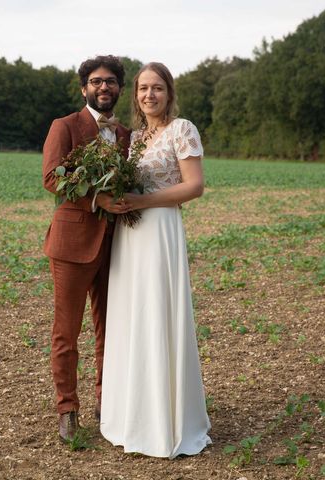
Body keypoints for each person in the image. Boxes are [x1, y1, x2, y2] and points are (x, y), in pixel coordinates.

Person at [99, 62, 212, 458]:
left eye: (158, 88)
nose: (150, 95)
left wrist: (144, 201)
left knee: (159, 314)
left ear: (169, 92)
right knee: (132, 316)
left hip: (160, 229)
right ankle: (133, 415)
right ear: (136, 95)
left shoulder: (182, 129)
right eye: (143, 88)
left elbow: (194, 186)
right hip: (130, 236)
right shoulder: (134, 138)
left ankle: (168, 421)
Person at [42, 55, 132, 442]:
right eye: (96, 81)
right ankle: (67, 409)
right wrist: (98, 199)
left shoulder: (127, 135)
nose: (104, 87)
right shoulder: (65, 126)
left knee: (110, 330)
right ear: (84, 88)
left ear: (119, 89)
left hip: (118, 246)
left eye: (110, 81)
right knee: (67, 332)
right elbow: (52, 178)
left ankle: (105, 402)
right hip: (73, 243)